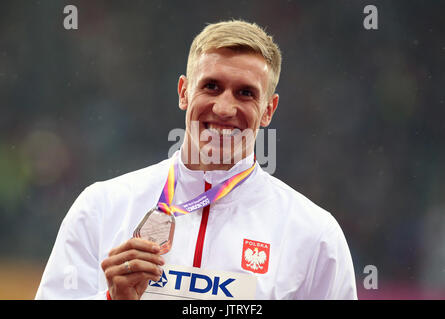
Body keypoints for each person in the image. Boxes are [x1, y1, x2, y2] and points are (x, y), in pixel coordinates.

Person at [35, 20, 357, 300]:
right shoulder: (101, 207)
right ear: (184, 92)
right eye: (211, 86)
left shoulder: (314, 235)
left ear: (268, 110)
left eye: (245, 93)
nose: (224, 108)